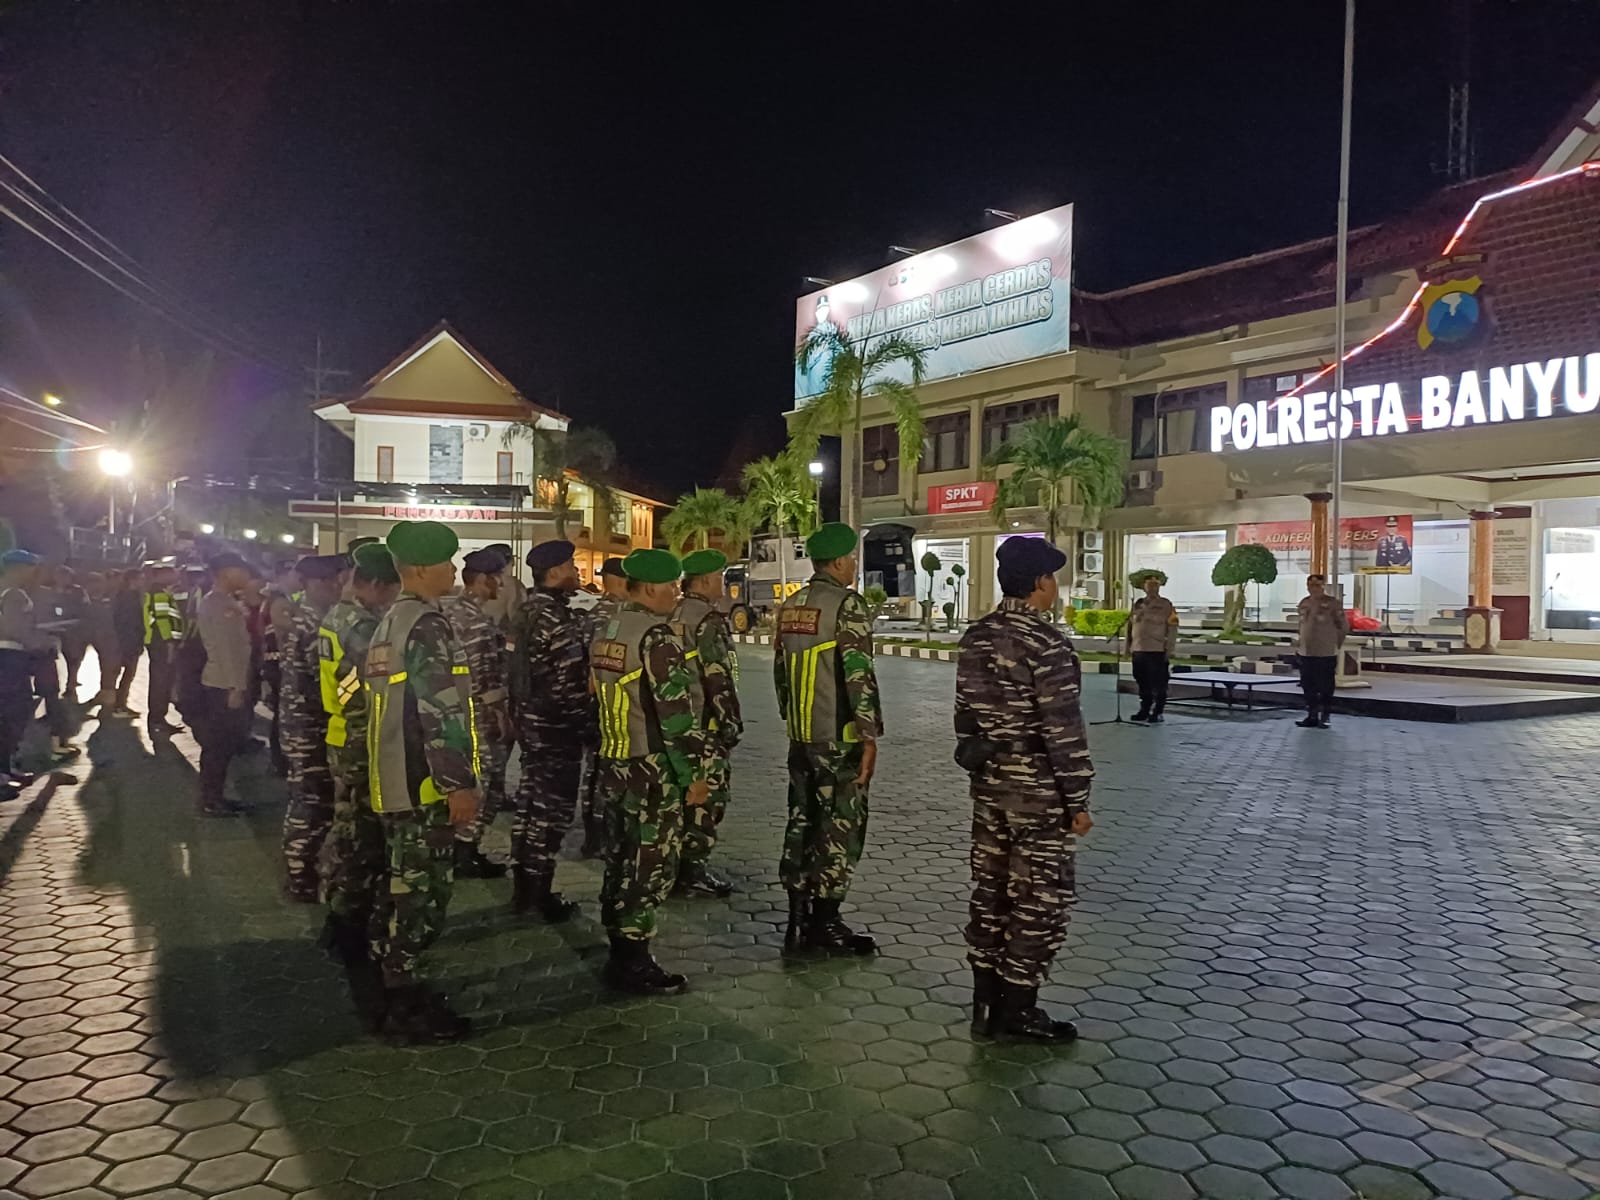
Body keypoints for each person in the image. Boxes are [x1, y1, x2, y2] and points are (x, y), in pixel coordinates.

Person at [955, 537, 1094, 1042]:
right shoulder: (1047, 644)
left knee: (990, 892)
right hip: (1037, 792)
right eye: (1051, 578)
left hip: (990, 786)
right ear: (1039, 583)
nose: (1054, 587)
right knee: (1038, 899)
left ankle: (985, 1004)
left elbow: (965, 718)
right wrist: (1077, 798)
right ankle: (1018, 1010)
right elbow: (1063, 728)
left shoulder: (975, 637)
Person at [364, 521, 480, 1043]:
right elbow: (440, 710)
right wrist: (458, 783)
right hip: (423, 783)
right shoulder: (426, 626)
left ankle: (391, 986)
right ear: (418, 570)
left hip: (394, 777)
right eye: (446, 562)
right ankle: (402, 1005)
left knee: (401, 887)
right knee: (422, 896)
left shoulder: (391, 620)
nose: (453, 570)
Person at [591, 548, 709, 994]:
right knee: (650, 863)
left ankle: (619, 949)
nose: (677, 594)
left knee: (622, 858)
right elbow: (675, 716)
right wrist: (693, 775)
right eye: (673, 587)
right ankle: (634, 962)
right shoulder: (657, 638)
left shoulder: (610, 628)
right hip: (652, 768)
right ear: (653, 589)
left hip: (615, 762)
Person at [773, 523, 882, 956]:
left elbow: (781, 671)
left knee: (802, 821)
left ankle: (797, 918)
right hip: (838, 737)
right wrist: (868, 735)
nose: (854, 564)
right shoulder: (846, 605)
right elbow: (858, 673)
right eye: (851, 558)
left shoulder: (792, 605)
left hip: (801, 735)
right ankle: (825, 922)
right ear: (838, 562)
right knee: (840, 827)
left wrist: (791, 717)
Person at [319, 542, 402, 1025]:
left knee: (350, 830)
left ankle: (341, 922)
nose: (392, 599)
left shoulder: (338, 615)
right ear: (373, 584)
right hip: (359, 740)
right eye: (390, 590)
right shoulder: (362, 627)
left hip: (343, 734)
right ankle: (353, 934)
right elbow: (382, 689)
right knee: (361, 840)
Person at [505, 539, 590, 920]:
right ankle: (538, 895)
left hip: (529, 725)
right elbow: (567, 685)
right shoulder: (556, 619)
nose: (576, 572)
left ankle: (524, 889)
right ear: (555, 572)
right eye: (571, 566)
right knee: (550, 814)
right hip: (556, 730)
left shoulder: (526, 611)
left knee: (528, 807)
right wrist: (586, 726)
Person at [280, 554, 350, 902]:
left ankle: (304, 870)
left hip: (307, 724)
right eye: (336, 581)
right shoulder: (313, 624)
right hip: (308, 728)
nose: (339, 588)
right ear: (319, 583)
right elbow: (329, 678)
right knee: (310, 802)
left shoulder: (310, 617)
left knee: (313, 800)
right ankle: (301, 875)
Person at [673, 548, 742, 898]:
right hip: (705, 725)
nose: (722, 584)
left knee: (680, 797)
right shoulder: (707, 620)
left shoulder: (671, 612)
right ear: (703, 581)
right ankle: (692, 871)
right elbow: (718, 677)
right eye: (719, 578)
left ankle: (673, 867)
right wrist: (730, 724)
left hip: (675, 722)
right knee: (707, 799)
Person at [445, 547, 511, 879]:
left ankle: (460, 850)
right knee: (485, 784)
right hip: (477, 715)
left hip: (452, 713)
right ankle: (464, 851)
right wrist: (500, 714)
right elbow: (485, 681)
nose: (502, 584)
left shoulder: (449, 611)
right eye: (498, 577)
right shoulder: (478, 624)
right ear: (484, 580)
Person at [194, 553, 257, 817]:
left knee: (224, 744)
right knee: (217, 745)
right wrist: (235, 686)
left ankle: (216, 796)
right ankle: (210, 800)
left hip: (226, 682)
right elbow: (225, 649)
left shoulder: (224, 602)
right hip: (223, 684)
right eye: (241, 570)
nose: (246, 576)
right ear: (226, 572)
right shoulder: (217, 604)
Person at [577, 556, 629, 857]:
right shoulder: (613, 615)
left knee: (593, 769)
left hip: (595, 703)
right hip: (606, 705)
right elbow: (599, 667)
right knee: (602, 771)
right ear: (621, 580)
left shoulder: (594, 613)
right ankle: (599, 836)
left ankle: (594, 834)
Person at [0, 549, 50, 797]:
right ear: (20, 568)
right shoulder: (14, 594)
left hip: (8, 659)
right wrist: (41, 642)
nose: (35, 573)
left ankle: (6, 769)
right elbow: (15, 629)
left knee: (10, 715)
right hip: (10, 659)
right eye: (32, 568)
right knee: (12, 715)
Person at [1297, 574, 1348, 729]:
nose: (1314, 588)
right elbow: (1301, 626)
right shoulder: (1304, 603)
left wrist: (1335, 644)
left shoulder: (1332, 604)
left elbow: (1343, 626)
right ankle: (1311, 715)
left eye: (1317, 585)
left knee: (1325, 686)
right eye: (1310, 585)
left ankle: (1325, 716)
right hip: (1306, 652)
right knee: (1308, 685)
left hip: (1326, 652)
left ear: (1323, 586)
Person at [1128, 572, 1179, 724]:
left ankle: (1158, 711)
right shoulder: (1138, 604)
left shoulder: (1165, 605)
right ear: (1143, 587)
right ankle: (1144, 709)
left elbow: (1173, 627)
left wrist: (1169, 648)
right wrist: (1128, 647)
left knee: (1159, 683)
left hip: (1157, 650)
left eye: (1155, 585)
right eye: (1149, 585)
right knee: (1142, 681)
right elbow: (1130, 626)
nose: (1152, 588)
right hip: (1139, 649)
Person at [142, 562, 186, 735]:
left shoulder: (158, 592)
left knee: (161, 682)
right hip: (162, 644)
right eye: (172, 573)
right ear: (162, 575)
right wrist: (169, 643)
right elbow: (162, 621)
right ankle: (157, 721)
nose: (176, 576)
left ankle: (158, 719)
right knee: (161, 683)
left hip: (159, 643)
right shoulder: (159, 594)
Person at [82, 572, 121, 713]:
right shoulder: (89, 602)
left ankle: (106, 693)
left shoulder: (109, 599)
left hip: (109, 638)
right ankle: (108, 696)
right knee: (109, 666)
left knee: (110, 667)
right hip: (104, 639)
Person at [109, 567, 145, 716]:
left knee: (126, 674)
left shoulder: (126, 596)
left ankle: (119, 703)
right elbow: (130, 622)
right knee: (127, 674)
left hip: (128, 641)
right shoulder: (128, 598)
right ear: (132, 580)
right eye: (140, 579)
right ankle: (119, 705)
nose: (143, 581)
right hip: (128, 642)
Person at [55, 566, 90, 701]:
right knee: (69, 657)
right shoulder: (52, 591)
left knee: (75, 658)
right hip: (61, 629)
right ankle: (71, 681)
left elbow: (85, 606)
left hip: (77, 629)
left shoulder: (78, 591)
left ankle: (71, 684)